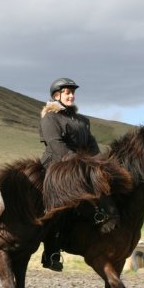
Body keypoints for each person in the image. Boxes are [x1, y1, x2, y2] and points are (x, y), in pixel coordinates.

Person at [39, 77, 100, 271]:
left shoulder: (83, 121)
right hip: (57, 168)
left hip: (81, 167)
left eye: (73, 92)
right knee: (61, 207)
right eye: (67, 92)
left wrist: (100, 164)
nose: (71, 95)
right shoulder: (50, 118)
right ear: (56, 96)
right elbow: (56, 145)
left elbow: (92, 146)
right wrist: (80, 163)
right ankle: (51, 252)